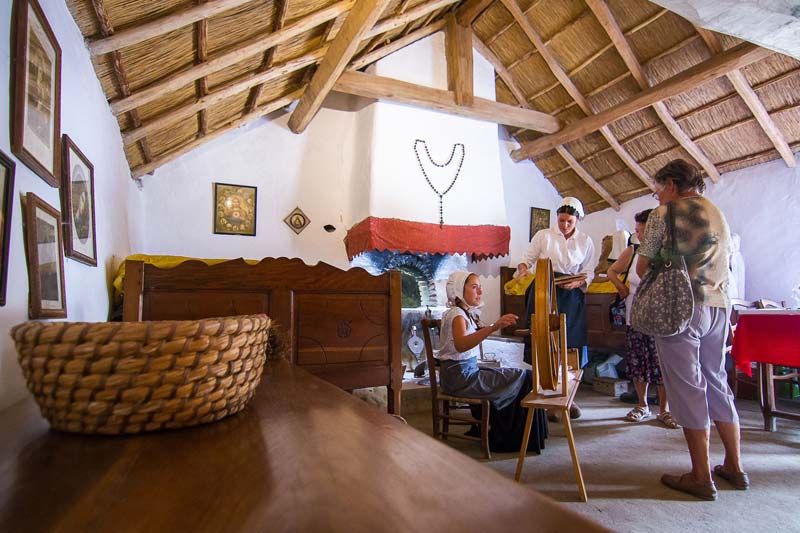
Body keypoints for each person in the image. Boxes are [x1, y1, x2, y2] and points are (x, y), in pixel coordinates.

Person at [637, 159, 747, 501]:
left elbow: (642, 266)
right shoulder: (718, 213)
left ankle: (700, 476)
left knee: (688, 388)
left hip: (681, 307)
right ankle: (734, 466)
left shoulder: (662, 216)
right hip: (719, 305)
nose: (658, 199)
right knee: (716, 381)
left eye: (658, 191)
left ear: (671, 184)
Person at [437, 271, 548, 453]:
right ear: (458, 289)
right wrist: (494, 327)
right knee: (523, 377)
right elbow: (462, 345)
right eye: (474, 287)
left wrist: (492, 327)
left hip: (462, 373)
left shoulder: (465, 313)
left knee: (520, 375)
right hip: (461, 379)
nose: (479, 292)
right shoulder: (457, 315)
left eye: (480, 287)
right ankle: (512, 438)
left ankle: (515, 434)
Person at [519, 197, 596, 420]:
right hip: (544, 288)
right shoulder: (544, 235)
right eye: (561, 220)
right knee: (544, 341)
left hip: (571, 293)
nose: (564, 225)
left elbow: (589, 270)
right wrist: (523, 269)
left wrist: (580, 283)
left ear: (578, 219)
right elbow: (527, 259)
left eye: (569, 221)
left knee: (569, 343)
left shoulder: (585, 240)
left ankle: (569, 397)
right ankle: (547, 397)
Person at [608, 209, 678, 429]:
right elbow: (612, 271)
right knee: (639, 363)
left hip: (660, 320)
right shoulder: (633, 251)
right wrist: (620, 287)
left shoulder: (667, 252)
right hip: (635, 318)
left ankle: (665, 410)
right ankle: (642, 405)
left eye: (641, 229)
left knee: (661, 365)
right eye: (637, 230)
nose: (638, 233)